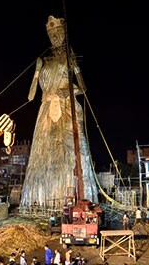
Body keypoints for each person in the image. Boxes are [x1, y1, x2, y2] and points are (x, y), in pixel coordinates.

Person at [20, 15, 98, 208]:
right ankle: (41, 200)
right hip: (46, 110)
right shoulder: (44, 61)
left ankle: (76, 198)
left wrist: (71, 85)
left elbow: (83, 88)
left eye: (58, 32)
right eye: (52, 34)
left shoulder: (69, 56)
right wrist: (37, 70)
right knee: (43, 157)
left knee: (71, 152)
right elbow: (31, 96)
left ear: (64, 33)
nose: (55, 36)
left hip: (66, 108)